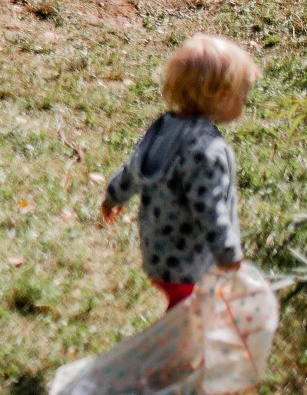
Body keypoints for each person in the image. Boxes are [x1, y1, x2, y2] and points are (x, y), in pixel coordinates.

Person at [100, 34, 259, 310]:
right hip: (191, 263)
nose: (244, 103)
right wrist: (228, 252)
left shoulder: (163, 127)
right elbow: (208, 206)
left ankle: (183, 347)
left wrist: (113, 196)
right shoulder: (206, 149)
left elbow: (133, 169)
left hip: (158, 253)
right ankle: (176, 351)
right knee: (190, 319)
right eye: (242, 96)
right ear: (221, 96)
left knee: (187, 313)